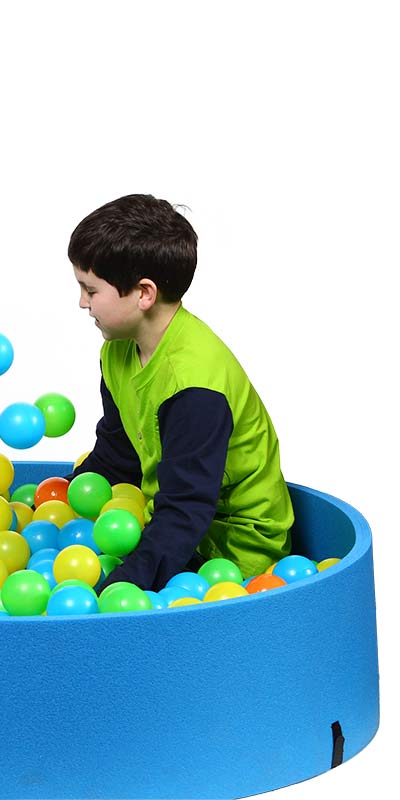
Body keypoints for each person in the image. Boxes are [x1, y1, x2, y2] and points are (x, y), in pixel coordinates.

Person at [67, 194, 293, 592]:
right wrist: (54, 505)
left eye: (91, 290)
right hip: (168, 521)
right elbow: (118, 454)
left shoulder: (194, 387)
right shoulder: (118, 349)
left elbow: (186, 509)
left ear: (144, 294)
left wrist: (120, 586)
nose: (81, 303)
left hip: (232, 552)